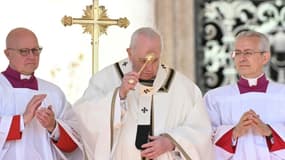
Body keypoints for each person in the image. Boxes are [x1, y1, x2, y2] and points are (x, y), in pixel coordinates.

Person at [74, 27, 213, 160]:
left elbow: (201, 131)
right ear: (129, 53)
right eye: (143, 61)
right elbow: (83, 118)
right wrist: (119, 96)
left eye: (155, 60)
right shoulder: (105, 80)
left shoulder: (184, 88)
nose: (150, 68)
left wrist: (171, 142)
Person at [0, 27, 84, 159]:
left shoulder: (53, 92)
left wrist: (53, 126)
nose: (32, 56)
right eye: (24, 51)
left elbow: (74, 144)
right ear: (7, 54)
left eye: (35, 50)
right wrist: (21, 120)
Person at [204, 30, 285, 160]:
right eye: (237, 53)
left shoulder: (282, 95)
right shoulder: (215, 98)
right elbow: (203, 142)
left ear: (265, 57)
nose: (242, 58)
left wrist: (270, 132)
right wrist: (234, 132)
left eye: (248, 53)